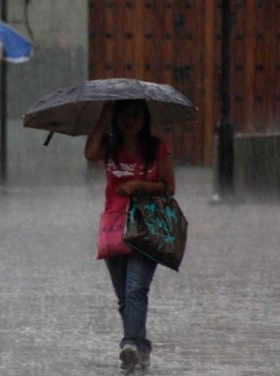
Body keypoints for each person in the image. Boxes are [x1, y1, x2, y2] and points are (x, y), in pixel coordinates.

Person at [84, 99, 175, 370]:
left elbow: (169, 187)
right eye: (124, 115)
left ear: (144, 118)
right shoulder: (110, 147)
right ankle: (140, 346)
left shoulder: (156, 148)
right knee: (125, 296)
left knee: (136, 288)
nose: (130, 121)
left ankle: (130, 343)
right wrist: (103, 117)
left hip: (147, 227)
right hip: (114, 227)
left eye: (135, 115)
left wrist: (139, 185)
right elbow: (89, 153)